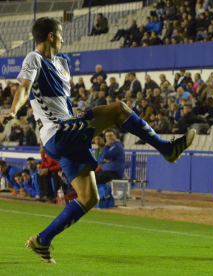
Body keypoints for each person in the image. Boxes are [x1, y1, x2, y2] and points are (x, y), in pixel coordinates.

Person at [4, 17, 195, 263]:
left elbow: (61, 101)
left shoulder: (63, 61)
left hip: (67, 134)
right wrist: (13, 111)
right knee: (120, 109)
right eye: (60, 34)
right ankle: (167, 149)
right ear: (51, 36)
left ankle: (42, 240)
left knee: (89, 197)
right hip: (58, 132)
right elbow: (25, 88)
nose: (63, 39)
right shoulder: (34, 58)